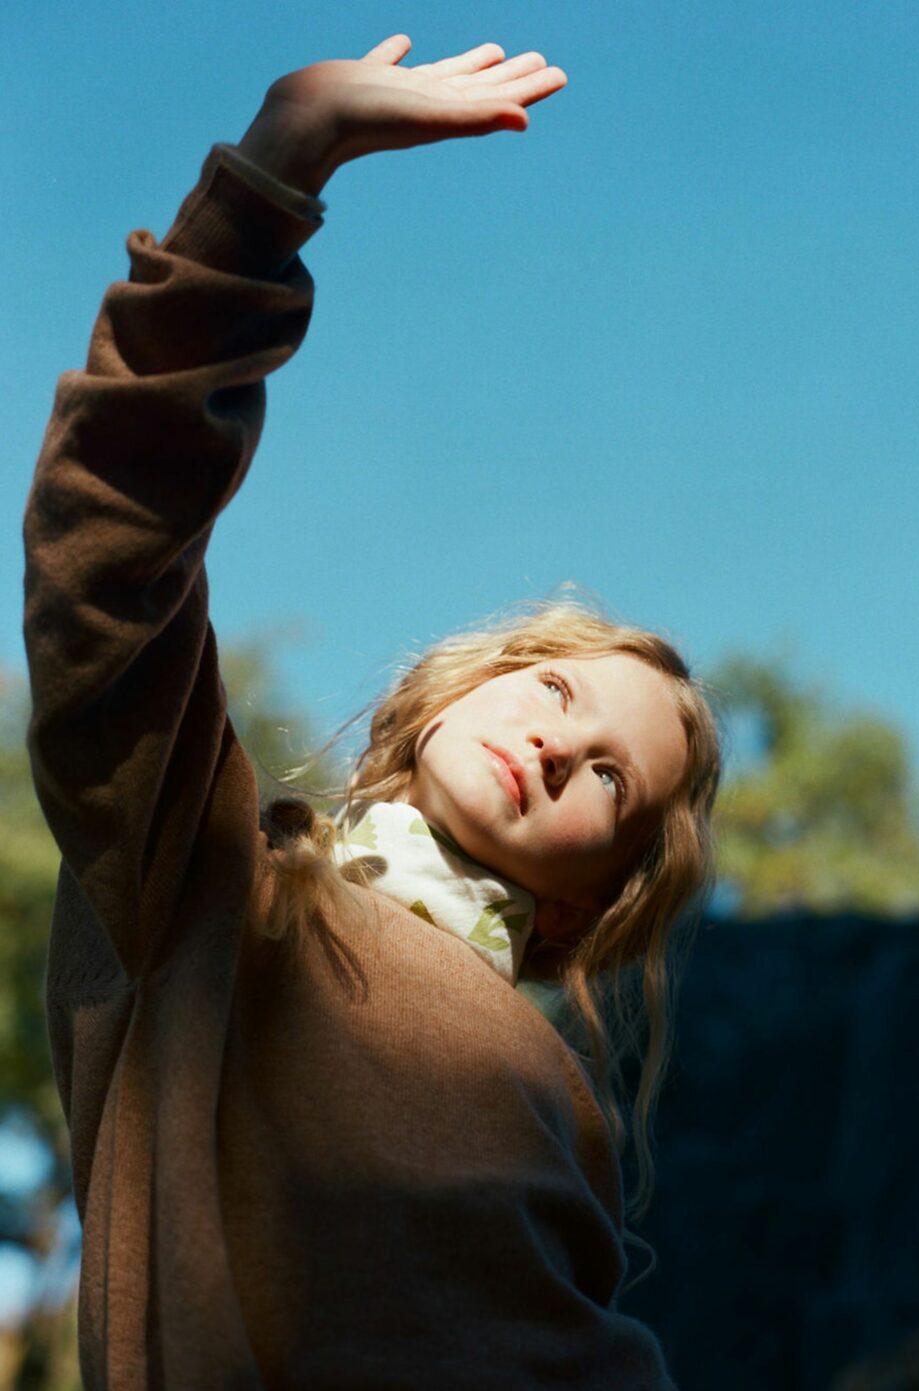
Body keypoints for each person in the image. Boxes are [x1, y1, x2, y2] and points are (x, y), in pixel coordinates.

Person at [23, 37, 719, 1388]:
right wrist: (276, 171)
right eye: (561, 690)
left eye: (611, 783)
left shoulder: (552, 1086)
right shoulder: (209, 881)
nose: (564, 744)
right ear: (457, 683)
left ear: (589, 905)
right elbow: (107, 561)